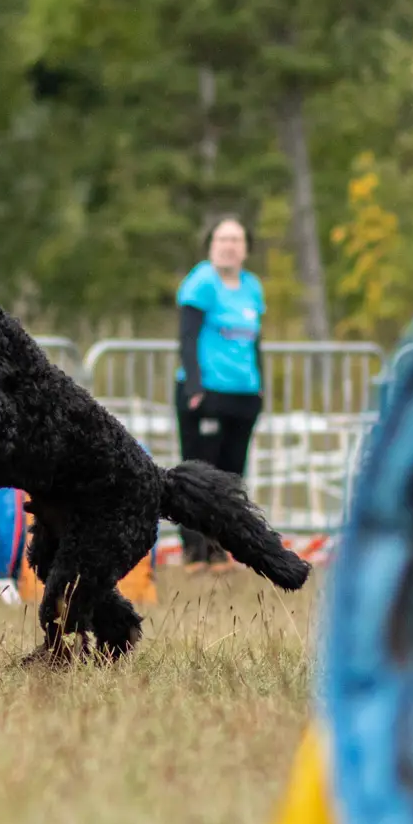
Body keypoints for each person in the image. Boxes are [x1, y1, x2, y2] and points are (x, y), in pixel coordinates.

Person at [174, 215, 266, 569]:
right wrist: (195, 387)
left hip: (243, 393)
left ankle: (220, 548)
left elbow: (256, 343)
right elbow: (187, 337)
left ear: (245, 249)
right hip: (206, 392)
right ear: (211, 245)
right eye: (222, 240)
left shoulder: (252, 287)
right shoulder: (200, 284)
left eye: (236, 240)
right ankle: (195, 549)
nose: (229, 246)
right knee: (200, 474)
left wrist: (261, 389)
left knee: (231, 475)